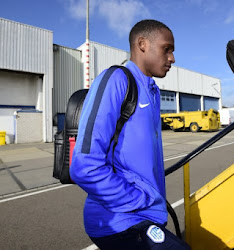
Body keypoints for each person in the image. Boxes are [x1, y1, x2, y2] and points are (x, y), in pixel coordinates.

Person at [70, 19, 190, 250]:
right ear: (142, 44)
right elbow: (84, 166)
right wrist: (139, 200)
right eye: (167, 49)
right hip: (122, 221)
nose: (172, 58)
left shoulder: (153, 92)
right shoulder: (115, 80)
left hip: (147, 217)